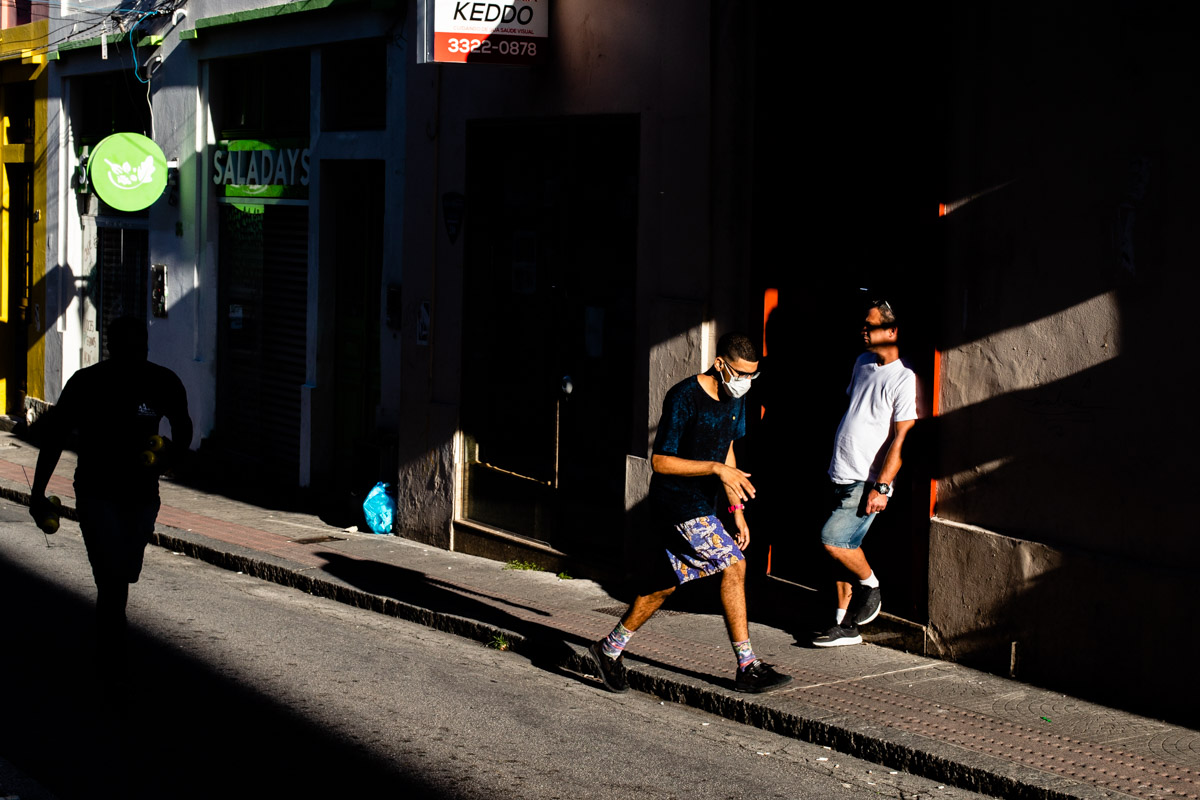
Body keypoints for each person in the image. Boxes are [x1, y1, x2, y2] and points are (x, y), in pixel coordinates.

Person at [587, 332, 792, 694]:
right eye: (740, 374)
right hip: (675, 503)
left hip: (705, 506)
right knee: (734, 565)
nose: (745, 382)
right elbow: (660, 461)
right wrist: (715, 469)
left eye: (751, 376)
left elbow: (727, 451)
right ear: (719, 364)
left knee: (663, 585)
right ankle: (747, 665)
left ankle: (609, 649)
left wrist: (736, 510)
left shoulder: (735, 399)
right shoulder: (684, 396)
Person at [31, 316, 193, 646]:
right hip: (96, 492)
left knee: (125, 571)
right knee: (112, 576)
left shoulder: (162, 382)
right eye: (126, 348)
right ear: (111, 347)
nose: (134, 355)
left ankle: (111, 635)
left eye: (139, 348)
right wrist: (37, 491)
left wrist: (170, 456)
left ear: (146, 347)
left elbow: (183, 427)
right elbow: (54, 437)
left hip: (142, 495)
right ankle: (110, 650)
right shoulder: (86, 383)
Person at [812, 300, 916, 647]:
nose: (864, 331)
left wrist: (883, 487)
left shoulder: (903, 379)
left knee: (833, 539)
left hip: (866, 479)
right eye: (864, 325)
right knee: (843, 548)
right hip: (839, 470)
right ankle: (843, 623)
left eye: (871, 326)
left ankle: (871, 587)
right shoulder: (862, 363)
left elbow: (902, 438)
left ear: (892, 331)